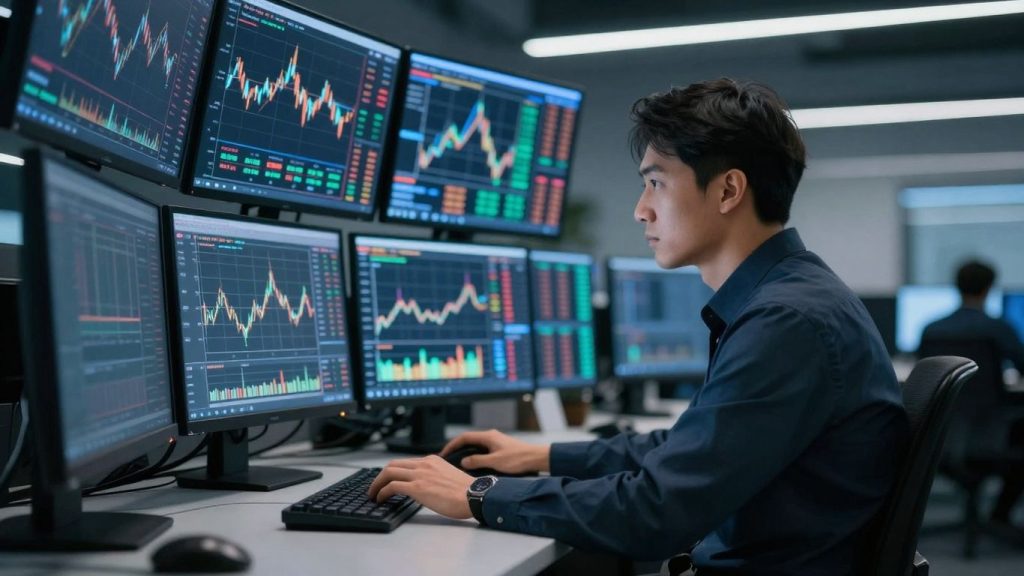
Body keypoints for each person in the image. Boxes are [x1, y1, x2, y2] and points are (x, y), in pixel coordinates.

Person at [368, 78, 910, 575]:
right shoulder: (790, 298)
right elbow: (691, 449)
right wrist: (543, 455)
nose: (640, 210)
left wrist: (480, 494)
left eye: (656, 183)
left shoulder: (786, 322)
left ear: (727, 191)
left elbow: (658, 510)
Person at [920, 260, 1024, 529]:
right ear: (989, 288)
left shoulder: (932, 330)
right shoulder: (998, 328)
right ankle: (999, 516)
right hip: (990, 433)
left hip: (943, 435)